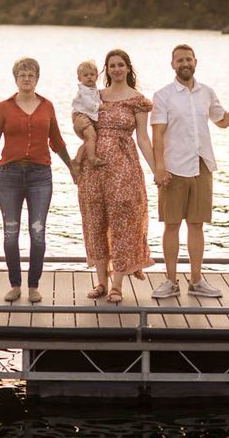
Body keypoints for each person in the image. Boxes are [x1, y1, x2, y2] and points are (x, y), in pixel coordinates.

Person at [0, 57, 73, 304]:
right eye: (22, 75)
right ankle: (15, 285)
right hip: (10, 176)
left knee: (37, 233)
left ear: (37, 78)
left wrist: (73, 168)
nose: (26, 79)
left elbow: (57, 142)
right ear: (15, 79)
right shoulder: (4, 107)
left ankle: (34, 285)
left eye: (31, 75)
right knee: (10, 233)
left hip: (40, 176)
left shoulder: (47, 106)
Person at [149, 44, 229, 300]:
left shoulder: (206, 92)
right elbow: (157, 133)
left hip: (201, 165)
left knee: (197, 225)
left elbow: (222, 121)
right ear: (172, 64)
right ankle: (170, 280)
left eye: (188, 59)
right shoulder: (163, 95)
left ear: (195, 62)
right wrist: (159, 166)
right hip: (173, 167)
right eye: (180, 60)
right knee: (172, 225)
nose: (185, 63)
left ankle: (197, 280)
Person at [76, 48, 155, 304]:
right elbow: (80, 121)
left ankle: (117, 285)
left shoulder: (138, 101)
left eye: (121, 65)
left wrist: (157, 169)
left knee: (123, 222)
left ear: (128, 68)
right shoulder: (95, 96)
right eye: (112, 66)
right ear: (106, 71)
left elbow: (143, 138)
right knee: (95, 221)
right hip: (94, 168)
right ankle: (101, 281)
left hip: (124, 168)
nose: (116, 69)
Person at [71, 59, 107, 169]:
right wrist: (101, 107)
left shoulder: (93, 89)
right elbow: (89, 104)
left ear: (97, 76)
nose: (89, 77)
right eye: (85, 75)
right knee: (92, 136)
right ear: (79, 78)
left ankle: (77, 159)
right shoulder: (84, 90)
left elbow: (96, 100)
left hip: (87, 114)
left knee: (88, 139)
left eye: (92, 74)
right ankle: (92, 158)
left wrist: (102, 107)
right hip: (81, 115)